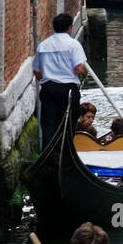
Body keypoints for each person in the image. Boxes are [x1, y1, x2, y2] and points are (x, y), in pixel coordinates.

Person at [33, 13, 87, 148]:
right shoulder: (73, 45)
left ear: (54, 28)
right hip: (68, 91)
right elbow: (79, 69)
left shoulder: (43, 46)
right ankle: (66, 152)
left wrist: (47, 81)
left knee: (49, 125)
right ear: (70, 28)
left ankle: (49, 156)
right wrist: (80, 67)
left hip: (48, 89)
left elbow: (37, 72)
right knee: (68, 125)